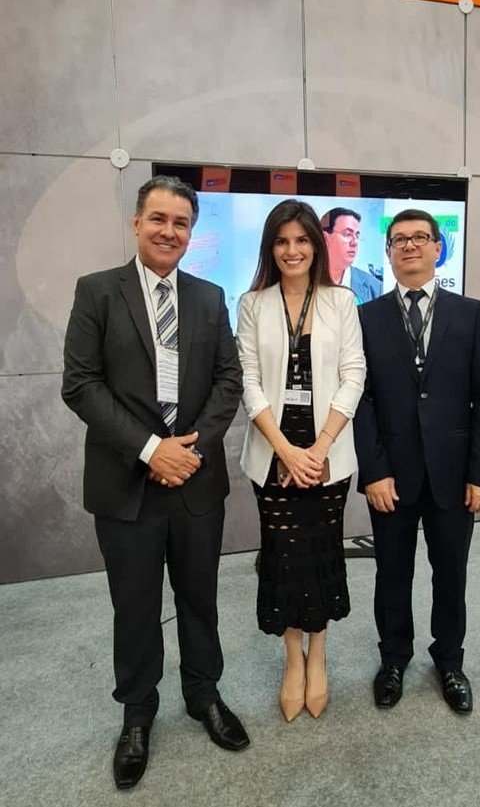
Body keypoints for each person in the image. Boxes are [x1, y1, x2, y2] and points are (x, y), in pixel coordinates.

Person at [62, 175, 249, 791]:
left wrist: (189, 451)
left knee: (199, 598)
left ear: (192, 232)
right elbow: (80, 384)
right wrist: (151, 450)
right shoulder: (97, 292)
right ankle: (138, 713)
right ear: (137, 222)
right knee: (135, 605)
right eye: (159, 219)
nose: (170, 232)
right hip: (126, 483)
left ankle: (204, 695)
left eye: (181, 223)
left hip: (195, 478)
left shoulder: (209, 297)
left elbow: (228, 380)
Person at [354, 209, 480, 715]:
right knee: (391, 573)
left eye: (420, 237)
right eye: (399, 240)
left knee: (451, 573)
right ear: (388, 252)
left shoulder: (469, 313)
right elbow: (361, 401)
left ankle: (450, 661)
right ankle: (393, 658)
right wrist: (373, 471)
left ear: (439, 248)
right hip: (391, 476)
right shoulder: (366, 317)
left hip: (454, 476)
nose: (410, 246)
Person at [236, 200, 366, 721]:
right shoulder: (253, 303)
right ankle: (294, 656)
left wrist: (318, 448)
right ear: (271, 248)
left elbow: (354, 374)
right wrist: (286, 450)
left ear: (316, 244)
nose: (292, 251)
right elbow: (248, 382)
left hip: (326, 453)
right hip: (274, 454)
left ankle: (320, 653)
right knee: (283, 554)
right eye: (282, 241)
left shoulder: (341, 301)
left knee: (322, 551)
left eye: (302, 240)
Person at [321, 207, 381, 303]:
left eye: (357, 235)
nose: (354, 242)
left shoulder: (375, 287)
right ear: (325, 238)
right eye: (347, 234)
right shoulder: (303, 281)